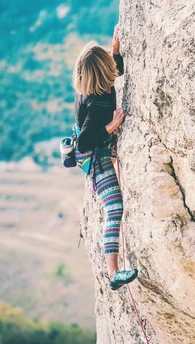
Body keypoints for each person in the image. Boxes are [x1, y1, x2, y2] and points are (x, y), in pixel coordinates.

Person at [72, 24, 138, 290]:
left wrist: (115, 51)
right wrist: (111, 127)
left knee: (115, 207)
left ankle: (113, 272)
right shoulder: (98, 102)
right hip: (95, 157)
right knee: (114, 209)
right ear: (101, 73)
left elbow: (115, 72)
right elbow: (86, 141)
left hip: (95, 151)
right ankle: (113, 274)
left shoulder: (93, 87)